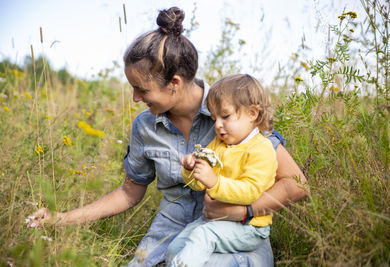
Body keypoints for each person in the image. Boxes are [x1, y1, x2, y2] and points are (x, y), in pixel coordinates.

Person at [27, 7, 308, 267]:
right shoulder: (145, 126)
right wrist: (61, 219)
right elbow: (129, 192)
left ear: (174, 83)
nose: (135, 98)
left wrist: (245, 211)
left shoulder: (231, 111)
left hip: (235, 235)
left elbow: (296, 185)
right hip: (170, 232)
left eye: (142, 90)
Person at [166, 74, 278, 267]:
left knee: (203, 236)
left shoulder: (261, 148)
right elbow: (200, 184)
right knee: (175, 249)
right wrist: (191, 168)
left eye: (225, 116)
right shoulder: (219, 143)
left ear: (252, 113)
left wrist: (215, 183)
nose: (217, 125)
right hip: (214, 220)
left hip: (249, 227)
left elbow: (251, 192)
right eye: (214, 117)